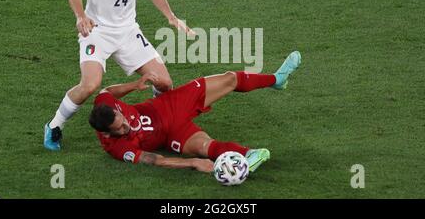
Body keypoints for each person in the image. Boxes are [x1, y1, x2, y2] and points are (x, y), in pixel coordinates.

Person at [44, 0, 195, 151]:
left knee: (164, 83)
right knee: (90, 85)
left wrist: (171, 16)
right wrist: (81, 17)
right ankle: (54, 126)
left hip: (128, 31)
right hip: (97, 31)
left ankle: (160, 120)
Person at [89, 51, 301, 173]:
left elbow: (107, 91)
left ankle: (277, 79)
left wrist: (135, 85)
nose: (126, 124)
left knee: (230, 79)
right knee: (204, 147)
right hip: (172, 133)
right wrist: (192, 163)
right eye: (120, 128)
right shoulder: (116, 148)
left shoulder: (105, 104)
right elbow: (154, 160)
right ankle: (249, 155)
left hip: (169, 104)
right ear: (108, 133)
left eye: (122, 118)